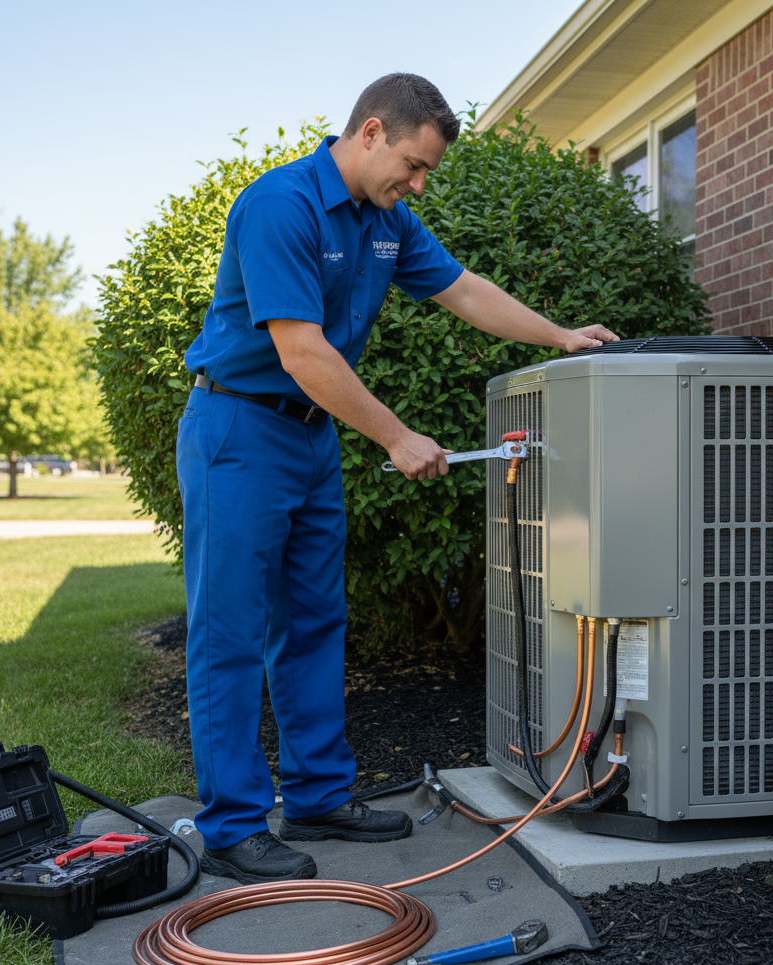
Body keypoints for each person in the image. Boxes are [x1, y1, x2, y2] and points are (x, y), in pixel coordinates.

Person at [177, 72, 618, 884]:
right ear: (372, 131)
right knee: (230, 632)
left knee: (314, 620)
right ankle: (234, 825)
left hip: (310, 438)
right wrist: (397, 434)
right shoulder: (283, 205)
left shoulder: (388, 222)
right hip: (238, 428)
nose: (417, 185)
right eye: (413, 166)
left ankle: (315, 795)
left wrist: (559, 336)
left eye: (427, 175)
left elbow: (464, 289)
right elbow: (301, 350)